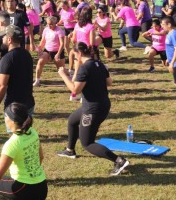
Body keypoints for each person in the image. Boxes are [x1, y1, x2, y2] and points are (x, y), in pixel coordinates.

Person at [56, 43, 131, 176]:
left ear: (79, 54)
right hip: (100, 104)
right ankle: (70, 150)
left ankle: (119, 161)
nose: (74, 60)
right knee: (73, 120)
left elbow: (75, 90)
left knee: (88, 143)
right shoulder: (98, 64)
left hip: (93, 109)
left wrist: (63, 75)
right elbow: (109, 82)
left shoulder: (85, 68)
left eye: (74, 57)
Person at [0, 103, 47, 200]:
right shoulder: (32, 132)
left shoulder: (12, 144)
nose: (4, 118)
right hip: (42, 188)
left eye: (5, 116)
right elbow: (41, 157)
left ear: (12, 121)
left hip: (23, 190)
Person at [0, 25, 35, 118]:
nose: (2, 38)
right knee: (26, 132)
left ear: (9, 39)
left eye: (4, 36)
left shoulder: (7, 59)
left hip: (13, 107)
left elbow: (2, 86)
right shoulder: (27, 54)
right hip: (29, 103)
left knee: (14, 132)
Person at [34, 16, 66, 87]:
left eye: (51, 24)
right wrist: (39, 49)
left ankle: (70, 79)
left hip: (58, 51)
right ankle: (37, 80)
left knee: (61, 70)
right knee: (40, 62)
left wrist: (58, 54)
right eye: (48, 24)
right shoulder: (46, 30)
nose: (49, 25)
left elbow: (62, 44)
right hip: (47, 50)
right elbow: (43, 41)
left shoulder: (59, 31)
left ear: (55, 23)